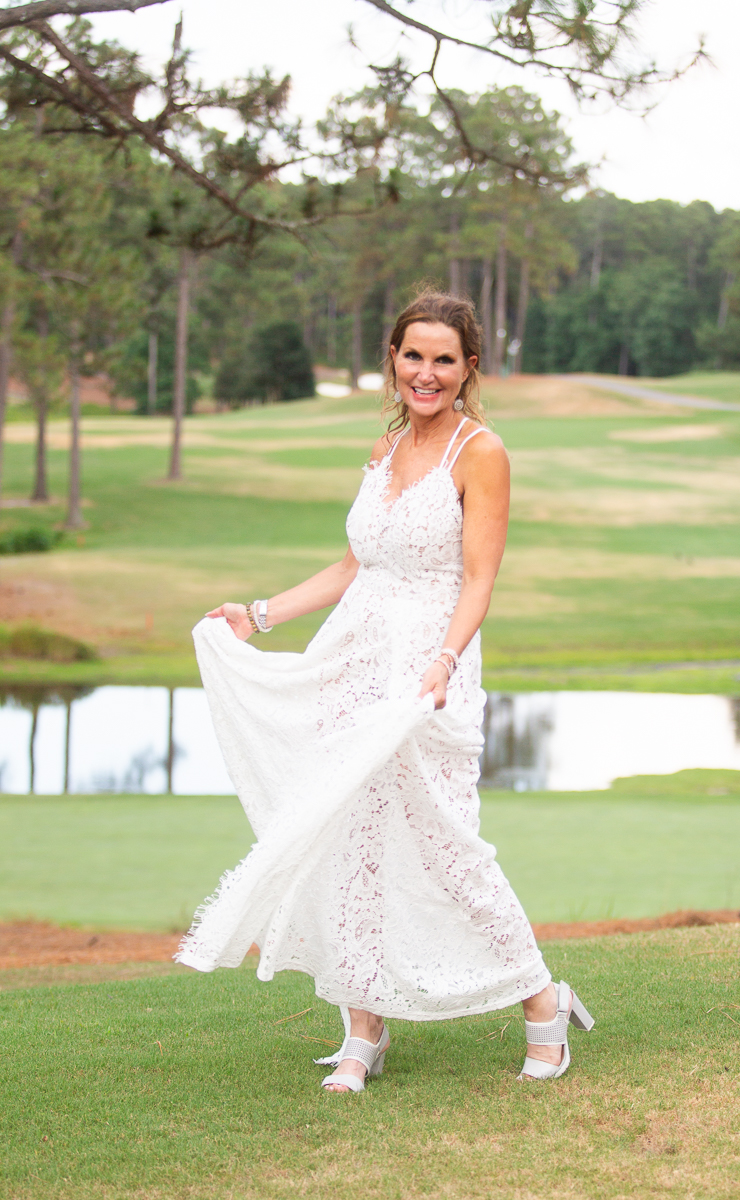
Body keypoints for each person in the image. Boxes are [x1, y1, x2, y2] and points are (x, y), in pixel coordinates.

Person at [176, 290, 593, 1093]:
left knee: (447, 848)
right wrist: (258, 614)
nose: (426, 373)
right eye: (413, 356)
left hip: (428, 677)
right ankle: (363, 1029)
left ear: (470, 368)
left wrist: (442, 660)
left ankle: (544, 1001)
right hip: (353, 664)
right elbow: (353, 565)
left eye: (444, 359)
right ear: (392, 360)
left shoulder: (481, 452)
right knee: (350, 847)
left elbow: (479, 578)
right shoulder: (387, 444)